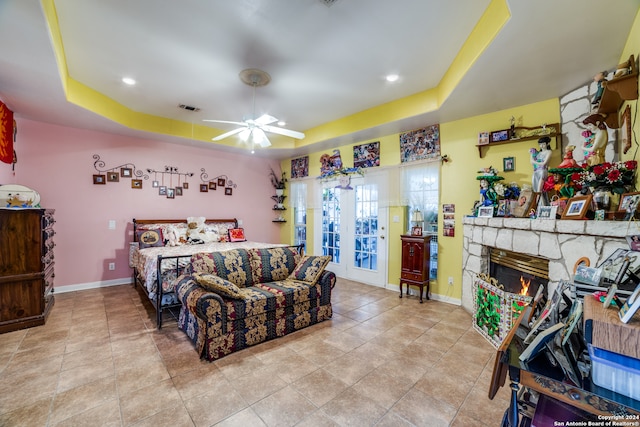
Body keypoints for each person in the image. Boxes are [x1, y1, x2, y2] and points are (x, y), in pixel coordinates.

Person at [530, 136, 552, 206]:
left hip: (543, 171)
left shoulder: (549, 152)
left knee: (540, 190)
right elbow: (531, 162)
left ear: (547, 144)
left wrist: (535, 162)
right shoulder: (538, 153)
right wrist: (531, 154)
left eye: (543, 144)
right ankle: (537, 207)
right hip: (536, 172)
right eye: (540, 144)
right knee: (535, 189)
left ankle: (541, 206)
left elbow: (544, 163)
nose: (541, 146)